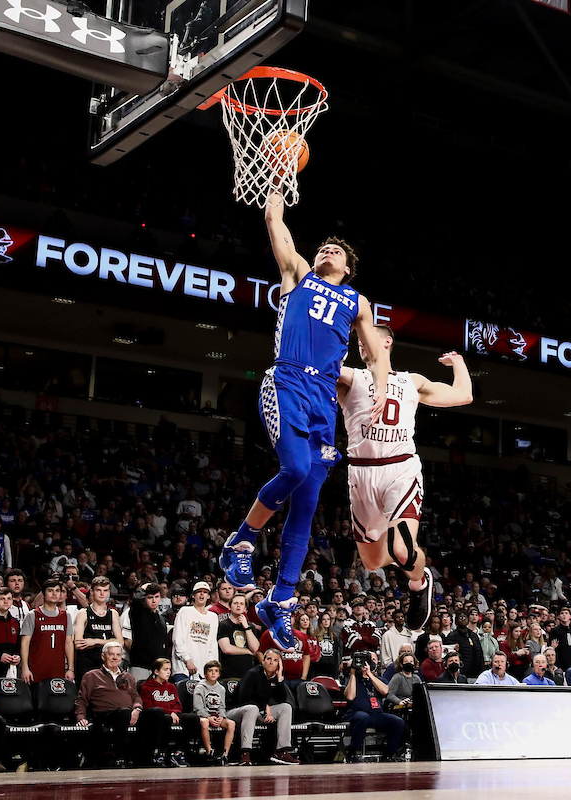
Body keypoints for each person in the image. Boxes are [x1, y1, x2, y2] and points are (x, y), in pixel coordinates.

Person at [220, 192, 389, 653]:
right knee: (294, 470)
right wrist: (276, 186)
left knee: (308, 503)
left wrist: (379, 390)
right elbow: (275, 222)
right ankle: (239, 545)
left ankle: (281, 600)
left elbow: (375, 353)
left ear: (349, 268)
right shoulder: (297, 272)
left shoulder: (357, 301)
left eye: (337, 251)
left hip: (323, 400)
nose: (327, 251)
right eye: (324, 248)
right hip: (287, 381)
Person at [338, 326, 471, 631]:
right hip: (361, 473)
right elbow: (318, 369)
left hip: (400, 468)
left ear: (386, 342)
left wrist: (458, 363)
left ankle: (419, 581)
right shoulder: (351, 377)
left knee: (402, 550)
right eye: (358, 340)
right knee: (372, 562)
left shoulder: (411, 381)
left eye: (366, 338)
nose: (361, 344)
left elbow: (463, 394)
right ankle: (407, 566)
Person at [74, 641, 161, 768]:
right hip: (105, 715)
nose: (115, 658)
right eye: (111, 654)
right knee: (124, 712)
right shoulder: (91, 676)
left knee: (157, 713)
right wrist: (81, 717)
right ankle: (121, 757)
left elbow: (136, 697)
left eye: (118, 655)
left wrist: (137, 708)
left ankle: (149, 756)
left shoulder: (128, 677)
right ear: (103, 656)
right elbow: (81, 699)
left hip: (129, 713)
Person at [236, 649, 298, 764]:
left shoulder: (274, 677)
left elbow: (281, 699)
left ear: (278, 664)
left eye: (275, 660)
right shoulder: (252, 674)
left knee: (285, 707)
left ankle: (281, 751)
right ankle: (245, 753)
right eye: (269, 659)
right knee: (252, 708)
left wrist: (279, 679)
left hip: (259, 711)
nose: (271, 662)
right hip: (238, 711)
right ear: (263, 660)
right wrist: (265, 708)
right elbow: (244, 699)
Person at [343, 654, 408, 761]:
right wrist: (353, 673)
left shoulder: (377, 679)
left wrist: (369, 674)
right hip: (357, 712)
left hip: (376, 714)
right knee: (363, 717)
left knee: (398, 722)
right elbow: (350, 696)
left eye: (371, 660)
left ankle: (390, 754)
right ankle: (353, 751)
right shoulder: (353, 679)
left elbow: (385, 691)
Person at [138, 658, 193, 766]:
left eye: (170, 669)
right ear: (156, 671)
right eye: (165, 669)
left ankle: (179, 752)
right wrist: (169, 712)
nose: (169, 672)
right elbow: (149, 706)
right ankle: (160, 752)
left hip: (172, 714)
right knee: (163, 716)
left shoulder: (171, 687)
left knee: (193, 718)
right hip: (154, 716)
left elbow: (178, 705)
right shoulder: (146, 687)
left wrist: (174, 712)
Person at [20, 579, 75, 684]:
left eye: (57, 591)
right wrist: (25, 668)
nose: (54, 593)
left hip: (58, 669)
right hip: (36, 669)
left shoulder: (66, 615)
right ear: (43, 594)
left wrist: (70, 669)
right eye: (50, 590)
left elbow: (68, 643)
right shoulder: (33, 615)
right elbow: (25, 643)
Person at [74, 577, 123, 683]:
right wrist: (109, 642)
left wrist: (95, 641)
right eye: (98, 590)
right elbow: (78, 643)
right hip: (87, 663)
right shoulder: (83, 613)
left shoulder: (113, 613)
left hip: (106, 663)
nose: (102, 594)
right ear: (92, 592)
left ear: (109, 593)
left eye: (105, 591)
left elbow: (120, 642)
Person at [191, 661, 239, 766]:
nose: (213, 673)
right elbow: (198, 707)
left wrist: (221, 717)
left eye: (216, 671)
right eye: (210, 671)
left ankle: (225, 754)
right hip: (202, 716)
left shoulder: (221, 689)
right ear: (205, 674)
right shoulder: (200, 687)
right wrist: (208, 717)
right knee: (204, 723)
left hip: (216, 717)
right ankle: (209, 751)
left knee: (231, 724)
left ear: (219, 674)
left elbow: (222, 706)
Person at [171, 581, 219, 682]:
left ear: (208, 596)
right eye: (199, 591)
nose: (202, 594)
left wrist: (211, 667)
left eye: (205, 592)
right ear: (193, 595)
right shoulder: (185, 611)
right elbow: (177, 639)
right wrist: (187, 660)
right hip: (183, 668)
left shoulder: (213, 617)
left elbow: (212, 644)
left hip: (203, 671)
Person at [126, 583, 169, 681]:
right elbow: (136, 601)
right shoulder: (139, 614)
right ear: (145, 598)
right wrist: (143, 588)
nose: (154, 601)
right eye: (150, 597)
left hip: (158, 668)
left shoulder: (161, 619)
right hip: (140, 666)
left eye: (157, 597)